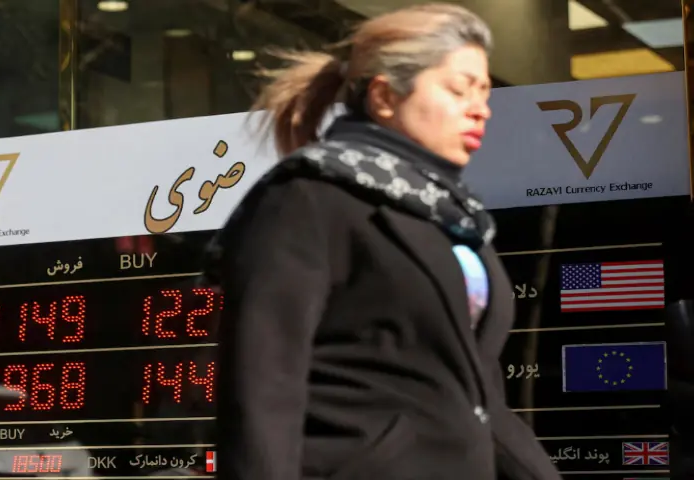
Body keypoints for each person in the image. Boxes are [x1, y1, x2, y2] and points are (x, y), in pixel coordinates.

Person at [207, 3, 561, 479]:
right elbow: (263, 386)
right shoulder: (307, 199)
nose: (481, 109)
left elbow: (482, 404)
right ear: (385, 97)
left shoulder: (454, 218)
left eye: (484, 92)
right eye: (459, 90)